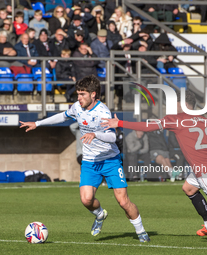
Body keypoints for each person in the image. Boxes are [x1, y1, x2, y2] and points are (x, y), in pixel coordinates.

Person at [101, 90, 207, 244]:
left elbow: (148, 126)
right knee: (189, 188)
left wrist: (120, 123)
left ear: (182, 105)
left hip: (206, 173)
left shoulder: (176, 119)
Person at [20, 75, 150, 242]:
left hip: (110, 160)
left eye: (82, 94)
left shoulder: (103, 112)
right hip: (90, 161)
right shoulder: (77, 107)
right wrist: (37, 124)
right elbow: (63, 116)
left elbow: (112, 137)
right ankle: (100, 214)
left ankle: (141, 232)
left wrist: (95, 134)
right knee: (86, 199)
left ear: (93, 94)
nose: (79, 98)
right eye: (78, 94)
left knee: (123, 202)